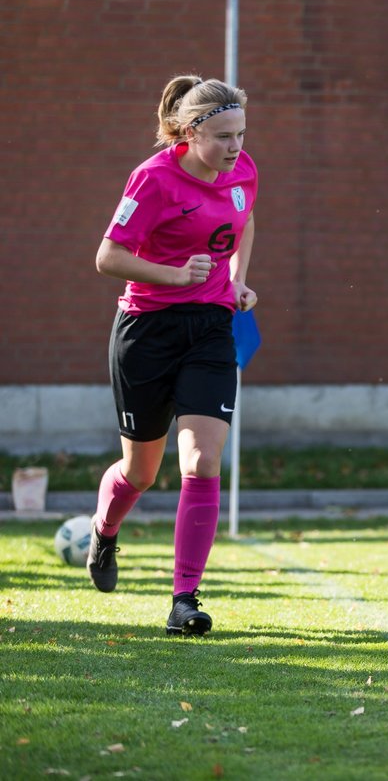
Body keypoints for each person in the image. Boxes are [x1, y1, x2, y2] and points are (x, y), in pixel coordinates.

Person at [88, 75, 259, 637]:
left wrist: (236, 279)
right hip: (146, 330)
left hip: (211, 328)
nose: (236, 148)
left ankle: (184, 598)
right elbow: (108, 257)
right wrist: (173, 274)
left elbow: (245, 216)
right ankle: (104, 530)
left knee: (202, 461)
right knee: (141, 471)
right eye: (224, 137)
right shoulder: (153, 178)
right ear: (189, 132)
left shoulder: (244, 171)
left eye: (241, 134)